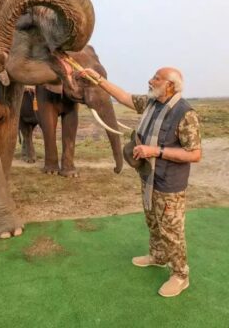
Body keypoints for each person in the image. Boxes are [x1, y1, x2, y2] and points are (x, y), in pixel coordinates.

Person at [80, 66, 202, 298]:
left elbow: (195, 154)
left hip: (170, 184)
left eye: (157, 78)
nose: (150, 80)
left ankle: (180, 275)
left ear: (170, 85)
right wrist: (97, 79)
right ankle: (158, 256)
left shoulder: (185, 114)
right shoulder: (151, 103)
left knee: (171, 231)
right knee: (153, 221)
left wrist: (155, 150)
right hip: (149, 178)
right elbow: (124, 96)